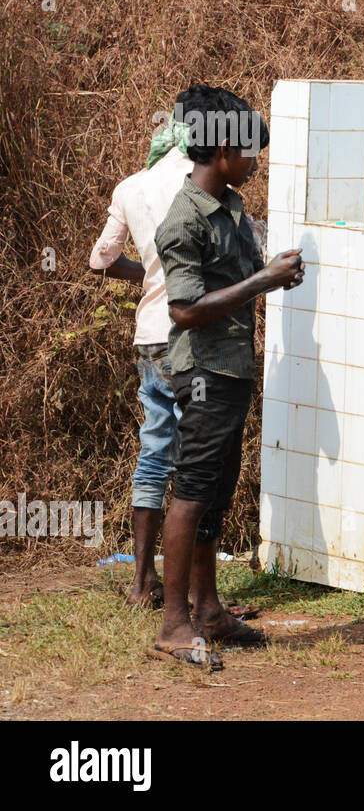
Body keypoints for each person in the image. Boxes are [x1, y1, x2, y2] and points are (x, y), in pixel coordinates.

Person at [151, 85, 305, 668]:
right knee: (191, 490)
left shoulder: (230, 206)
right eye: (250, 153)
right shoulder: (183, 219)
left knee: (215, 490)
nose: (256, 161)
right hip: (203, 373)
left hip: (232, 369)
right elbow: (186, 310)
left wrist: (272, 272)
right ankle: (173, 623)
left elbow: (234, 279)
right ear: (221, 153)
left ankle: (210, 611)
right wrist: (265, 281)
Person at [89, 112, 194, 607]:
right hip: (188, 336)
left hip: (147, 338)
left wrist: (150, 277)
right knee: (197, 460)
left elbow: (101, 260)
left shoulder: (130, 186)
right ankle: (196, 592)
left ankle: (141, 582)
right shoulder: (198, 184)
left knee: (153, 456)